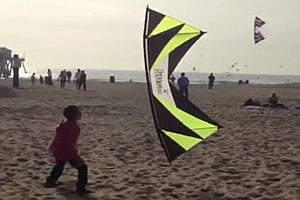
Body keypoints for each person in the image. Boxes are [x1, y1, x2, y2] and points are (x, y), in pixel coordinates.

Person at [45, 105, 90, 194]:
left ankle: (50, 181)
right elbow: (69, 144)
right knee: (82, 167)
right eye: (78, 112)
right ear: (74, 116)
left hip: (57, 149)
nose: (80, 114)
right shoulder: (74, 127)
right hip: (64, 151)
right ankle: (81, 188)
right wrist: (75, 156)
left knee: (60, 165)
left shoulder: (64, 123)